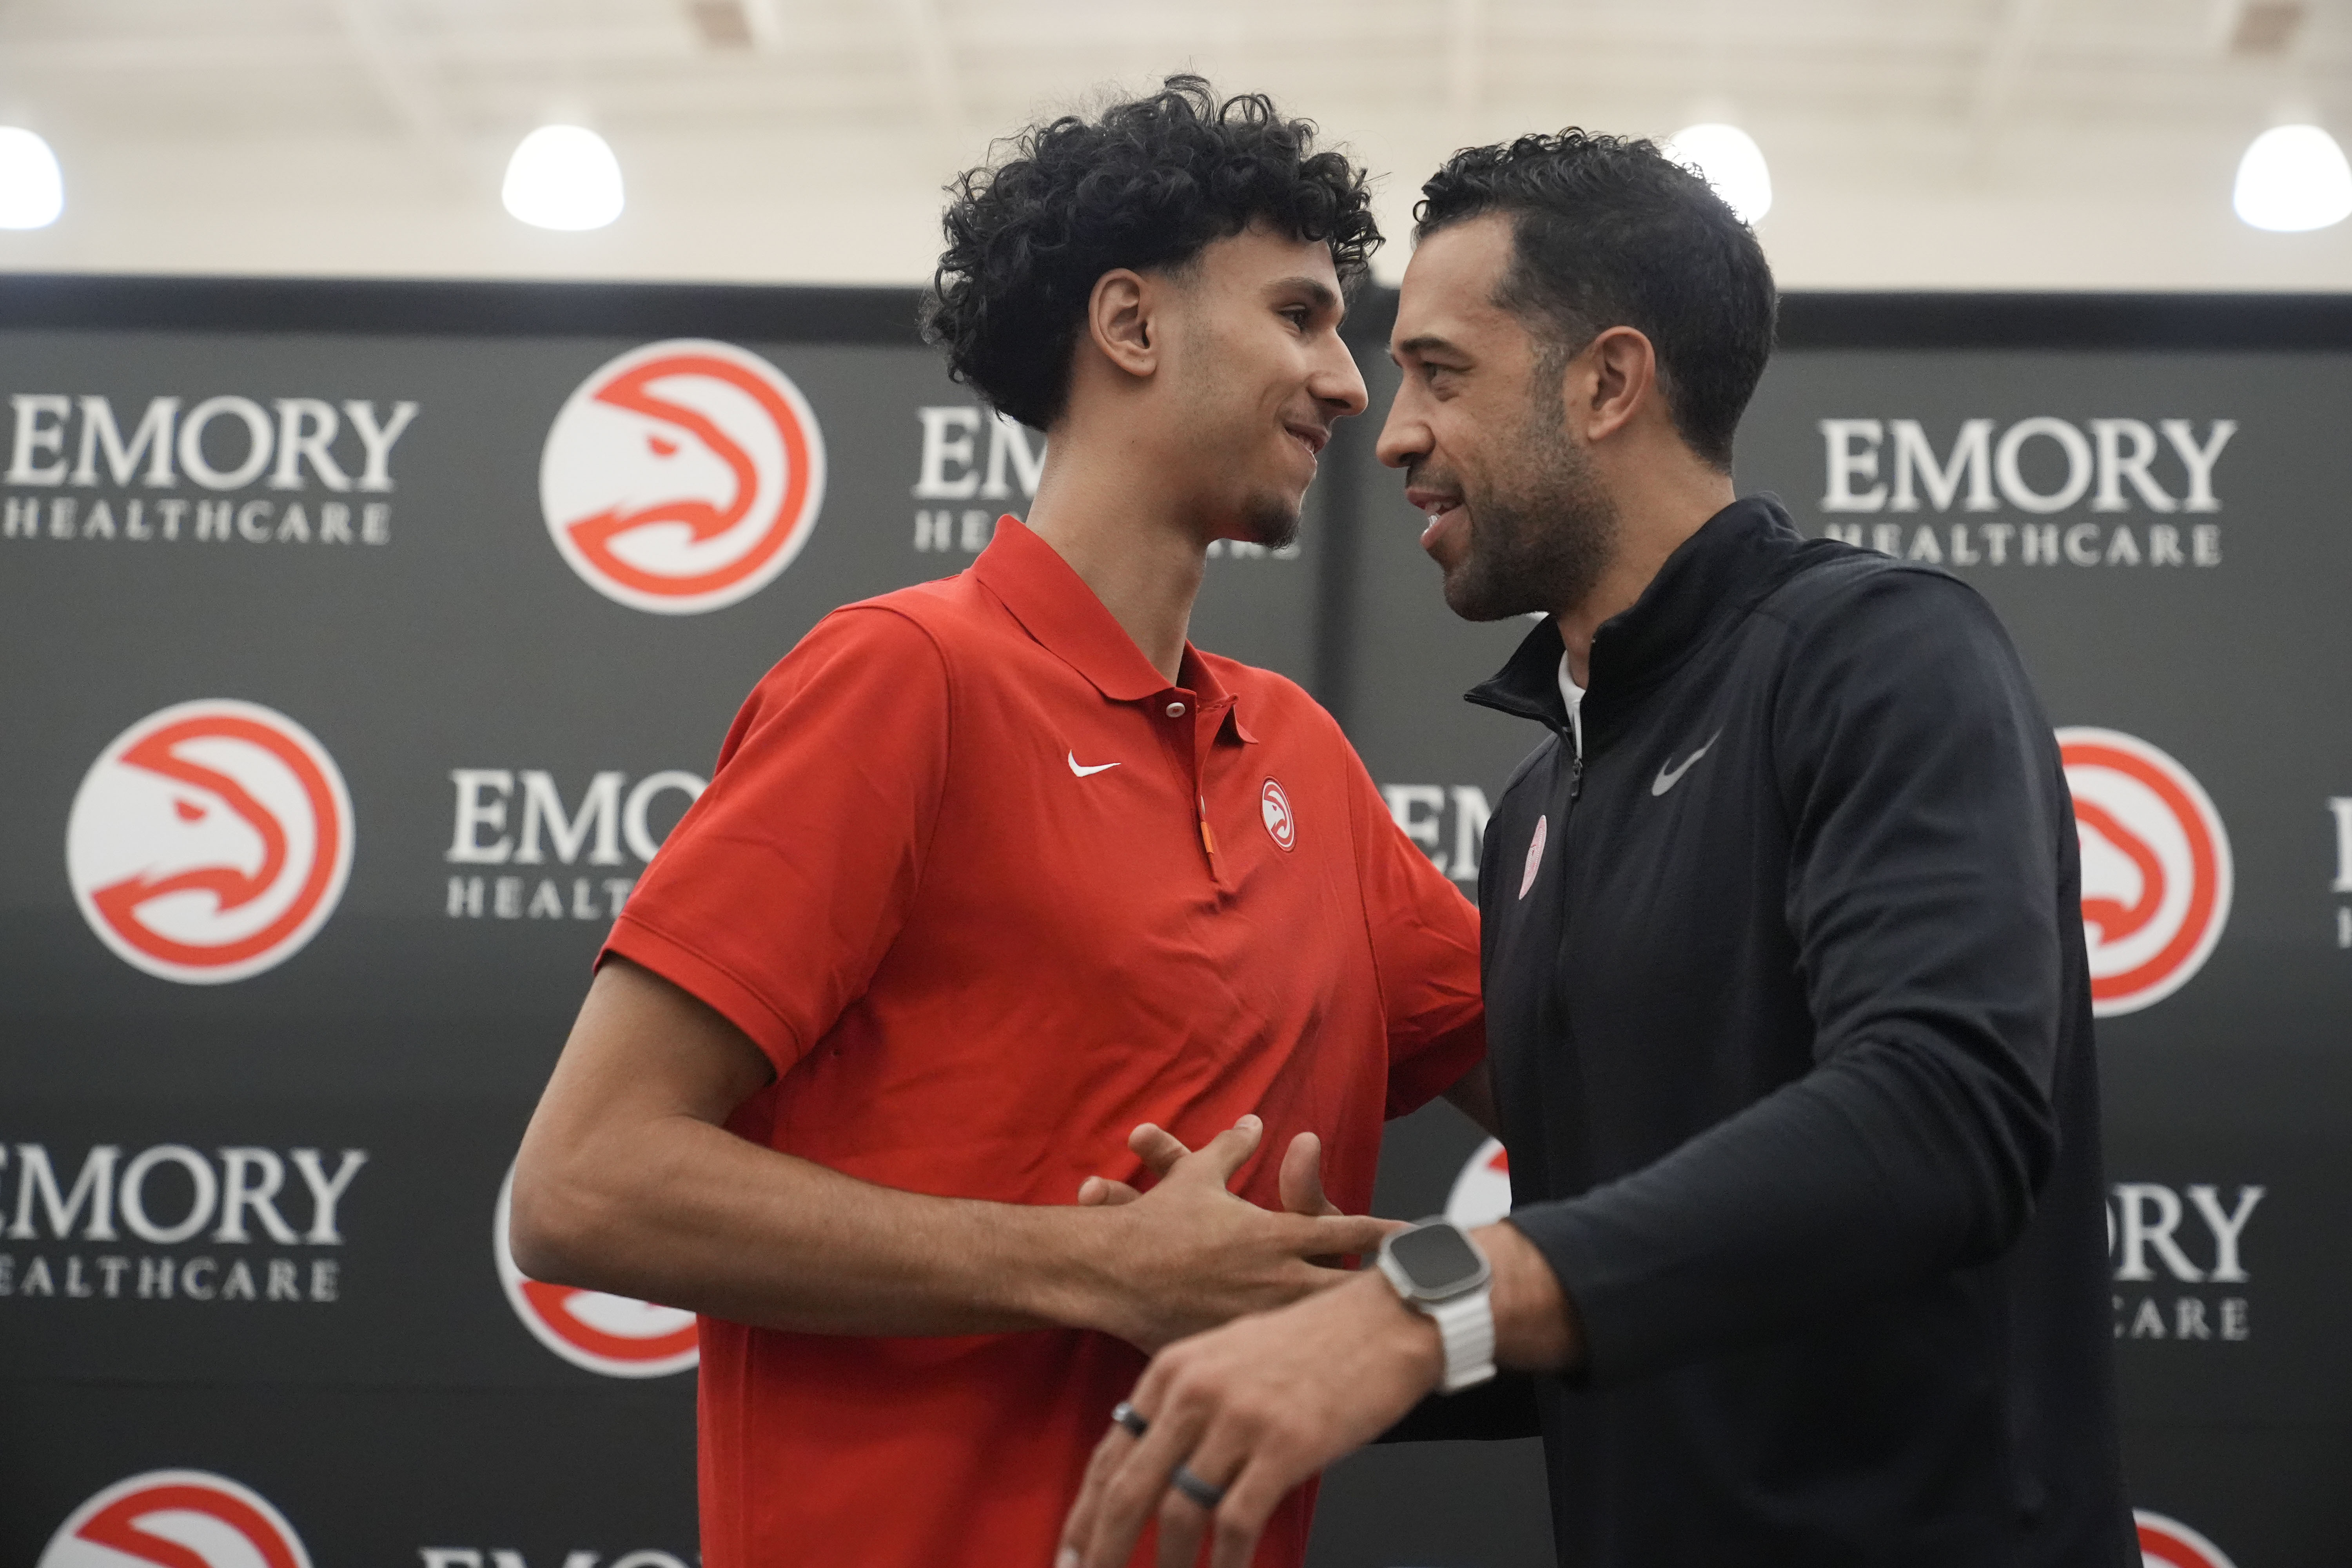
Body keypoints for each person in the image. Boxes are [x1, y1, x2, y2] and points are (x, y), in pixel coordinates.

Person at [1058, 131, 2133, 1568]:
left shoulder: (1881, 654)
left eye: (1442, 373)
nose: (1388, 431)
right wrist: (1321, 1314)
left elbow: (1944, 1117)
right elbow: (1655, 1300)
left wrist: (1414, 1305)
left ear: (1608, 383)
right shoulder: (1534, 811)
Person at [507, 78, 1492, 1568]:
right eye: (1300, 316)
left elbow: (1603, 1087)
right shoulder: (907, 678)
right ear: (1132, 326)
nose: (1350, 385)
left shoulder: (1301, 759)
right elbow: (584, 1184)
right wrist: (1093, 1268)